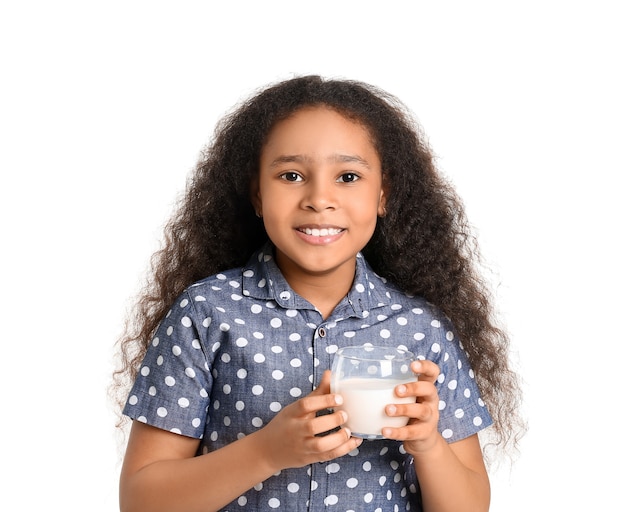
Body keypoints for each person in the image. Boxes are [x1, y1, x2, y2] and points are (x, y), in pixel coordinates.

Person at [111, 75, 524, 512]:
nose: (319, 198)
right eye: (291, 175)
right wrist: (267, 451)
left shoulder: (422, 328)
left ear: (382, 195)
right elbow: (141, 501)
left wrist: (429, 445)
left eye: (348, 176)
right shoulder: (207, 313)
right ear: (257, 194)